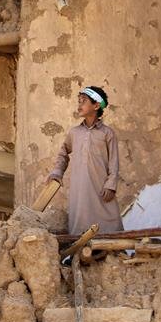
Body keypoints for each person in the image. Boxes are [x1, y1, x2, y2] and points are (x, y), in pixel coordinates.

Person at [47, 86, 123, 235]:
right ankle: (77, 252)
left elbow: (114, 161)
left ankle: (113, 250)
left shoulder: (107, 133)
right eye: (78, 101)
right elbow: (63, 153)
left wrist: (111, 184)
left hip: (100, 186)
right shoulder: (74, 133)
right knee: (80, 218)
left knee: (109, 220)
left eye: (84, 101)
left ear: (96, 106)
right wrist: (57, 172)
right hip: (79, 187)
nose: (79, 105)